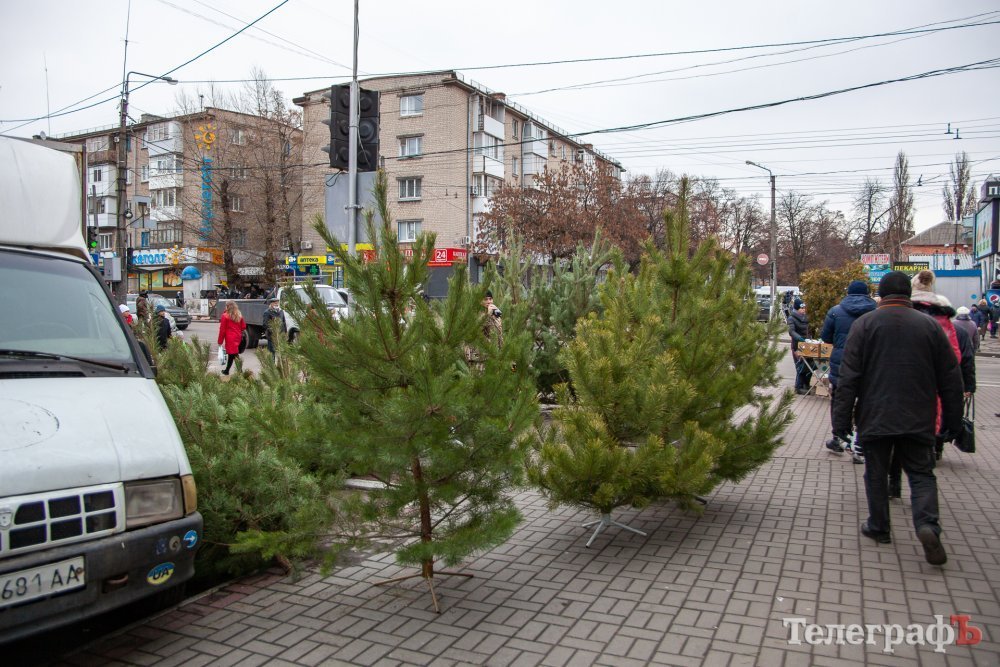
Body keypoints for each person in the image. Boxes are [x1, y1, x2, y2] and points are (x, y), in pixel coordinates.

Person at [832, 271, 963, 565]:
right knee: (921, 474)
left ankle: (879, 526)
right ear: (908, 295)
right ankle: (927, 525)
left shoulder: (865, 325)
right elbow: (950, 378)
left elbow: (848, 378)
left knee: (876, 472)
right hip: (918, 415)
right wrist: (952, 421)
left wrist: (840, 423)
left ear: (881, 295)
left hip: (875, 414)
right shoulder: (930, 326)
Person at [821, 280, 876, 453]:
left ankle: (838, 437)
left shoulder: (835, 311)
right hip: (868, 364)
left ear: (848, 292)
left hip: (842, 363)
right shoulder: (876, 312)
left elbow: (826, 337)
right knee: (865, 401)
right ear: (867, 293)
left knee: (839, 400)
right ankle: (859, 441)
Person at [787, 299, 811, 395]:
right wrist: (800, 339)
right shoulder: (791, 318)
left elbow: (808, 330)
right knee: (800, 365)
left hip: (806, 345)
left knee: (808, 365)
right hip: (797, 346)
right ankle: (798, 387)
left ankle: (806, 384)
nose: (804, 309)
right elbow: (791, 331)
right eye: (802, 308)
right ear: (797, 309)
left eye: (804, 308)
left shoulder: (805, 318)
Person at [217, 300, 247, 376]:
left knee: (234, 354)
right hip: (238, 336)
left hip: (230, 338)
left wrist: (220, 341)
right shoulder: (239, 314)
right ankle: (227, 370)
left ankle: (239, 371)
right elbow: (243, 326)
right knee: (232, 354)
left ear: (227, 306)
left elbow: (222, 330)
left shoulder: (225, 316)